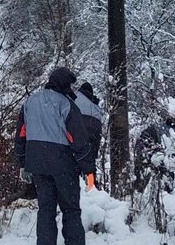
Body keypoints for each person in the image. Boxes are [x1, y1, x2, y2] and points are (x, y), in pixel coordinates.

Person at [14, 67, 95, 245]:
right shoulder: (66, 105)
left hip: (37, 166)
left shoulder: (30, 102)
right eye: (72, 85)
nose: (73, 89)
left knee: (46, 209)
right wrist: (88, 169)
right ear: (64, 84)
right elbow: (79, 141)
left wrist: (23, 162)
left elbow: (21, 135)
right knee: (71, 210)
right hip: (63, 166)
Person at [133, 116, 175, 193]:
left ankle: (138, 191)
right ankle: (167, 193)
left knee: (141, 173)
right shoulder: (171, 132)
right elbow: (168, 153)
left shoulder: (161, 126)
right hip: (147, 147)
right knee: (165, 169)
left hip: (143, 145)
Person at [72, 82, 103, 191]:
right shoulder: (95, 105)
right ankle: (91, 186)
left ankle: (76, 185)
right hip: (94, 131)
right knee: (90, 162)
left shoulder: (75, 97)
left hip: (79, 128)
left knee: (75, 160)